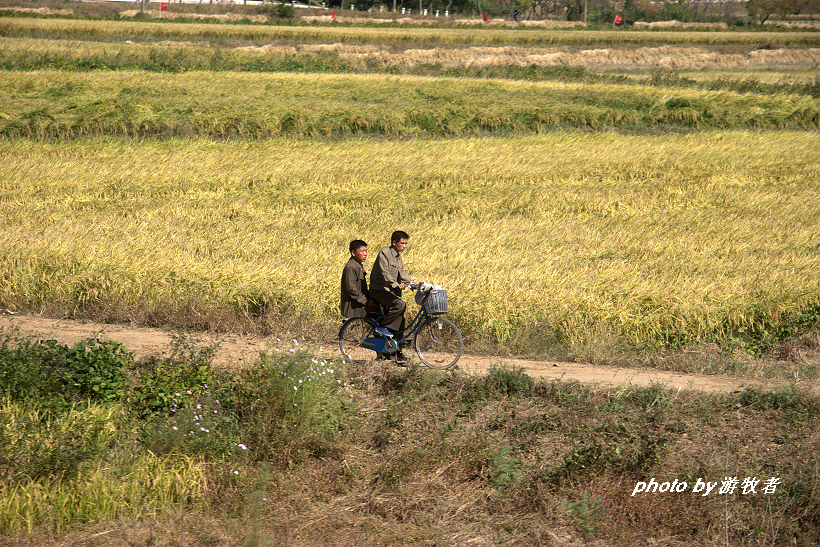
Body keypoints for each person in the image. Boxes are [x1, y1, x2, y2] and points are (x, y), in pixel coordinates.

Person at [369, 231, 413, 363]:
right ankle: (382, 327)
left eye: (406, 243)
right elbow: (384, 273)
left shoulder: (398, 256)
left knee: (401, 320)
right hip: (378, 290)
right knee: (400, 305)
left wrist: (413, 283)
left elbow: (402, 273)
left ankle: (396, 352)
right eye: (402, 243)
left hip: (389, 292)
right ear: (394, 243)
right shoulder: (384, 253)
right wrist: (395, 284)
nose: (404, 246)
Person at [340, 239, 371, 319]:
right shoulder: (351, 267)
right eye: (362, 251)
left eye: (366, 251)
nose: (365, 254)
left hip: (359, 303)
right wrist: (366, 301)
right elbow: (351, 288)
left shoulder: (358, 265)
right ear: (353, 253)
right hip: (353, 307)